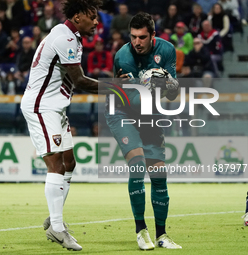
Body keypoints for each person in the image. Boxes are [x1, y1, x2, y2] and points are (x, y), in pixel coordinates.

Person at [21, 0, 104, 251]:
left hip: (55, 107)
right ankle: (57, 228)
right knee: (56, 164)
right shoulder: (66, 39)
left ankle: (53, 217)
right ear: (78, 17)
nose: (97, 22)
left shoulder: (68, 35)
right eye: (92, 17)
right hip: (41, 107)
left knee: (70, 162)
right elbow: (78, 80)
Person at [105, 12, 181, 250]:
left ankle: (162, 235)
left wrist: (166, 85)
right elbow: (132, 100)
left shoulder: (168, 50)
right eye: (133, 36)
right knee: (138, 164)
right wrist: (151, 84)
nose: (137, 42)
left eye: (142, 37)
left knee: (159, 175)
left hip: (150, 113)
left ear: (153, 36)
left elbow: (173, 91)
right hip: (122, 112)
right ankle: (141, 231)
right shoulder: (123, 56)